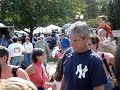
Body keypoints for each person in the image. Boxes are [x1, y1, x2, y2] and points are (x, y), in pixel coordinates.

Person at [60, 21, 108, 90]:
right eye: (71, 40)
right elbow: (65, 77)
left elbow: (99, 88)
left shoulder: (94, 60)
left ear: (86, 38)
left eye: (75, 40)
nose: (71, 44)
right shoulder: (68, 54)